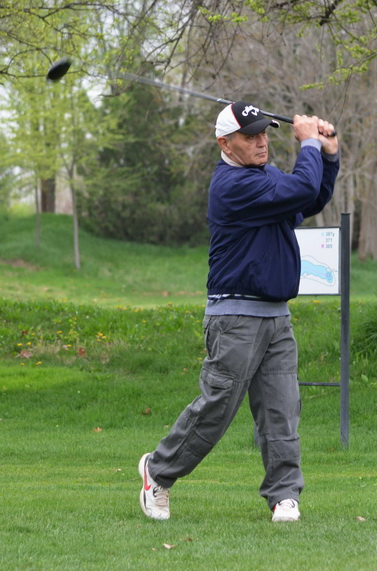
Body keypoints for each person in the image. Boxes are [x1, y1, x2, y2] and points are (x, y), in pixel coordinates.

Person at [139, 99, 340, 522]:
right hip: (235, 318)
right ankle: (157, 472)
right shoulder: (232, 186)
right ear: (225, 143)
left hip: (275, 316)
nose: (261, 141)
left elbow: (312, 197)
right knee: (217, 409)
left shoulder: (264, 177)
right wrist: (306, 145)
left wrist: (328, 153)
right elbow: (300, 188)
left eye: (265, 133)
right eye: (250, 136)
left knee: (282, 411)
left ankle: (284, 494)